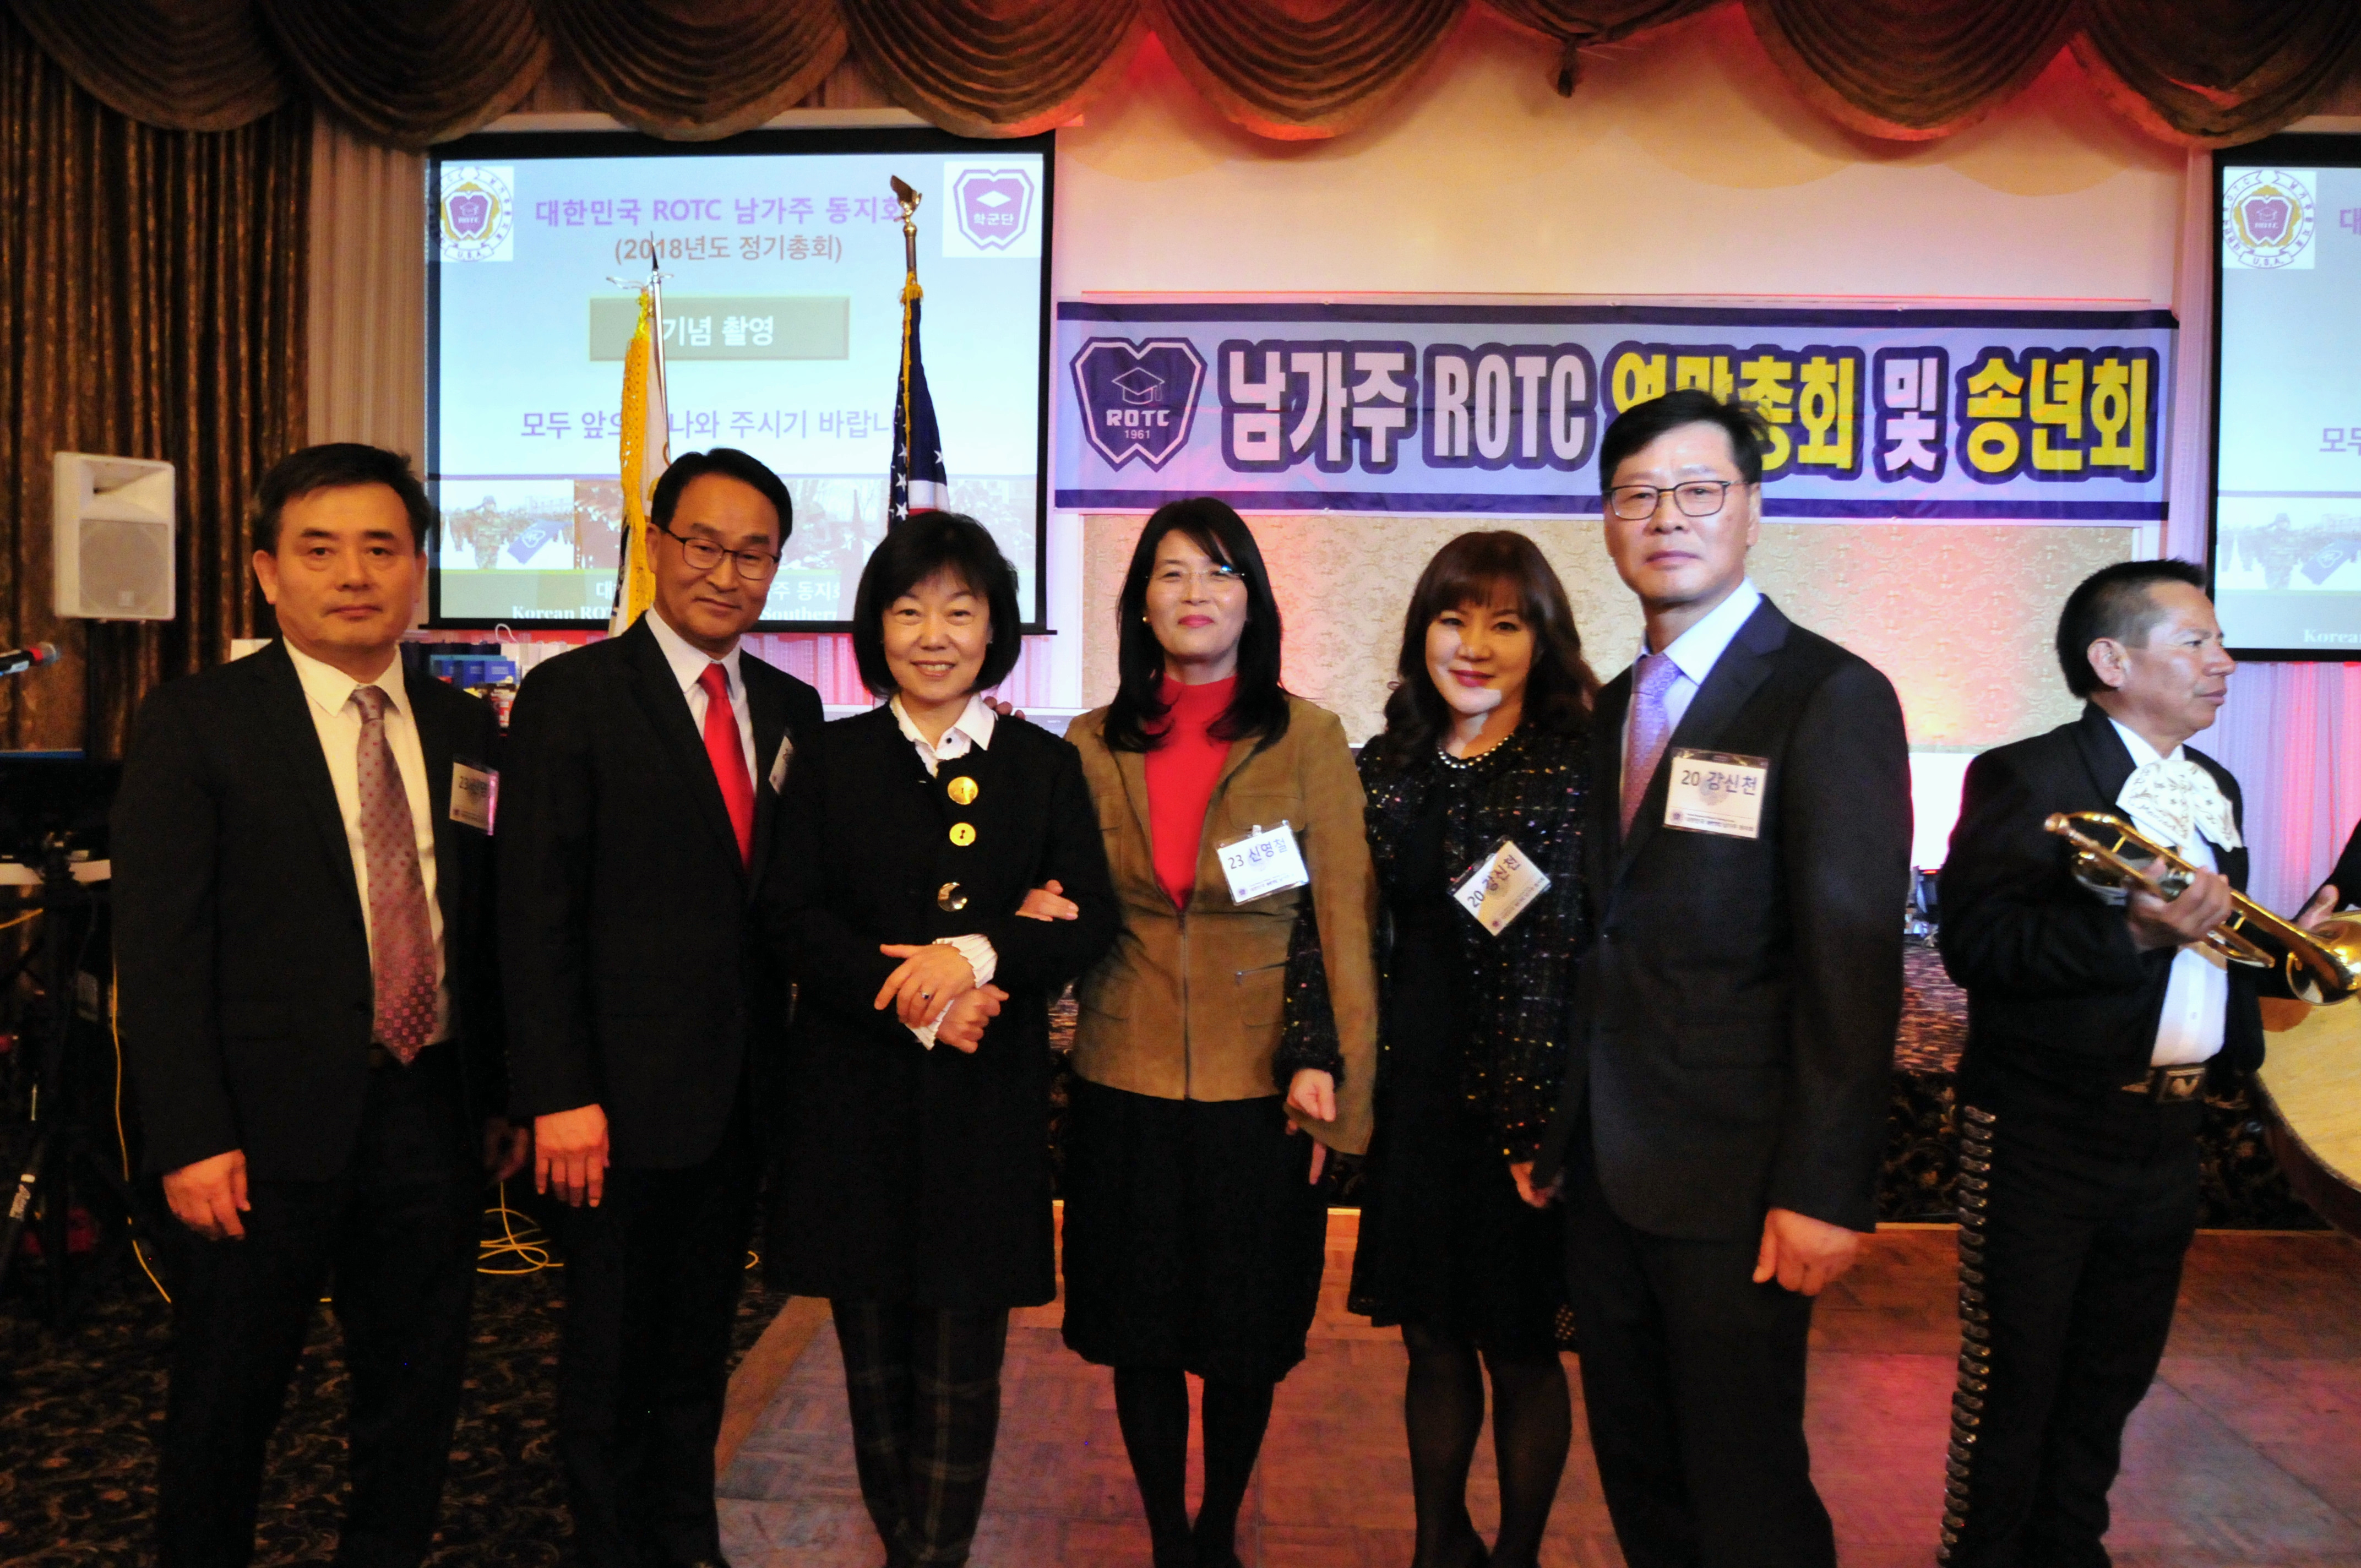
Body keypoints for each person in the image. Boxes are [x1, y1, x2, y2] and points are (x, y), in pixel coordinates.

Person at [113, 443, 525, 1567]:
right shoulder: (196, 722)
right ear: (266, 570)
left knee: (413, 1395)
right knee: (226, 1402)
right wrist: (191, 1136)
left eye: (381, 549)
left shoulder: (462, 728)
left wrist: (495, 1093)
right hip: (257, 1136)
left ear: (418, 571)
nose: (354, 574)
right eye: (320, 549)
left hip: (430, 1115)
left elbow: (479, 924)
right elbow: (160, 953)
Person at [1530, 388, 1913, 1568]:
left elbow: (1851, 962)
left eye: (1698, 490)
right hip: (1608, 1172)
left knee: (1746, 1491)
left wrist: (1826, 1187)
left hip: (1742, 1182)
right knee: (1643, 1478)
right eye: (1636, 494)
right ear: (1607, 522)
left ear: (1751, 509)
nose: (1667, 517)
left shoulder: (1827, 694)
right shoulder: (1612, 708)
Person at [1933, 560, 2339, 1567]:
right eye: (2197, 643)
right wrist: (2132, 937)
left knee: (2112, 1379)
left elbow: (2211, 955)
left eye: (2219, 641)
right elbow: (1977, 948)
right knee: (2016, 1380)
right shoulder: (2028, 776)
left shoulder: (2215, 788)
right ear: (2111, 661)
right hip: (2045, 1127)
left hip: (2168, 1130)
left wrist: (2293, 946)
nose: (2224, 662)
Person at [770, 512, 1117, 1568]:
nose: (934, 635)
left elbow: (1088, 918)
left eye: (960, 612)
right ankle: (906, 1548)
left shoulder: (1043, 766)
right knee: (874, 1373)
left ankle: (938, 1556)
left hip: (981, 1121)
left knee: (963, 1373)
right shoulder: (829, 759)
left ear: (994, 628)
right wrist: (920, 999)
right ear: (876, 628)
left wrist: (974, 956)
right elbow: (791, 921)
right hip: (852, 1114)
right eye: (909, 611)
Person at [499, 448, 824, 1568]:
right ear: (654, 544)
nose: (726, 573)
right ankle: (608, 1546)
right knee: (608, 1355)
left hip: (738, 1102)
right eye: (704, 544)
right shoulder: (574, 696)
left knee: (697, 1349)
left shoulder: (792, 706)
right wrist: (558, 1093)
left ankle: (686, 1538)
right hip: (609, 1108)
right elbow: (532, 913)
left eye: (754, 553)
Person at [1059, 498, 1379, 1568]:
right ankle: (1167, 1539)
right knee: (1138, 1330)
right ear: (1140, 603)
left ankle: (1217, 1531)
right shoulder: (1088, 742)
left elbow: (1344, 923)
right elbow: (1061, 898)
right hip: (1122, 1075)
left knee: (1247, 1334)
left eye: (1219, 571)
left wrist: (1341, 1095)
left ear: (1253, 598)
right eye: (1170, 572)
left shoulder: (1307, 737)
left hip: (1266, 1090)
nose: (1195, 592)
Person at [1328, 531, 1595, 1568]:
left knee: (1522, 1350)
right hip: (1418, 1099)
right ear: (1421, 634)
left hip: (1523, 1106)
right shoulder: (1382, 766)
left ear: (1543, 640)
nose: (1474, 646)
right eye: (1454, 619)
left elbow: (1571, 956)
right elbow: (1338, 926)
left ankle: (1516, 1554)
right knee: (1431, 1339)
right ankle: (1439, 1543)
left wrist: (1548, 1129)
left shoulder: (1573, 770)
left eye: (1505, 624)